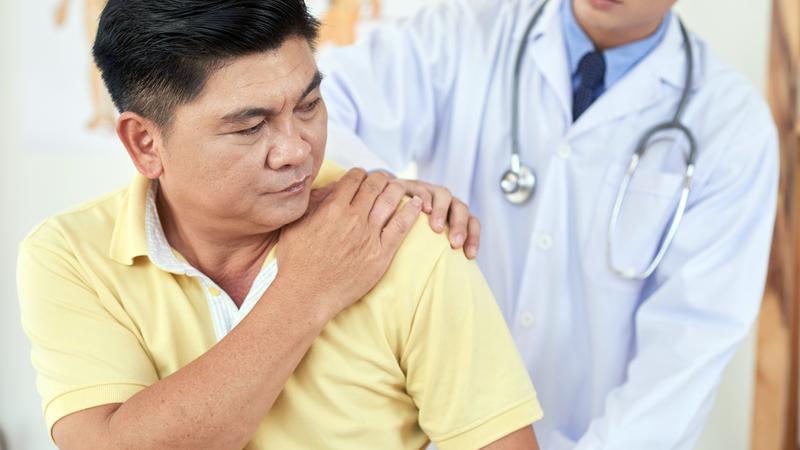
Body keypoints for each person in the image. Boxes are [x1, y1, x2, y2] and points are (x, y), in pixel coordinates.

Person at [16, 1, 543, 448]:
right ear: (144, 144)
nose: (296, 150)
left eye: (309, 104)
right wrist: (306, 288)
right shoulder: (70, 254)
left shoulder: (401, 238)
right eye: (249, 126)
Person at [318, 0, 780, 448]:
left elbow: (684, 353)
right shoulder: (464, 32)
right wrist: (389, 189)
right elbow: (318, 111)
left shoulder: (732, 128)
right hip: (436, 430)